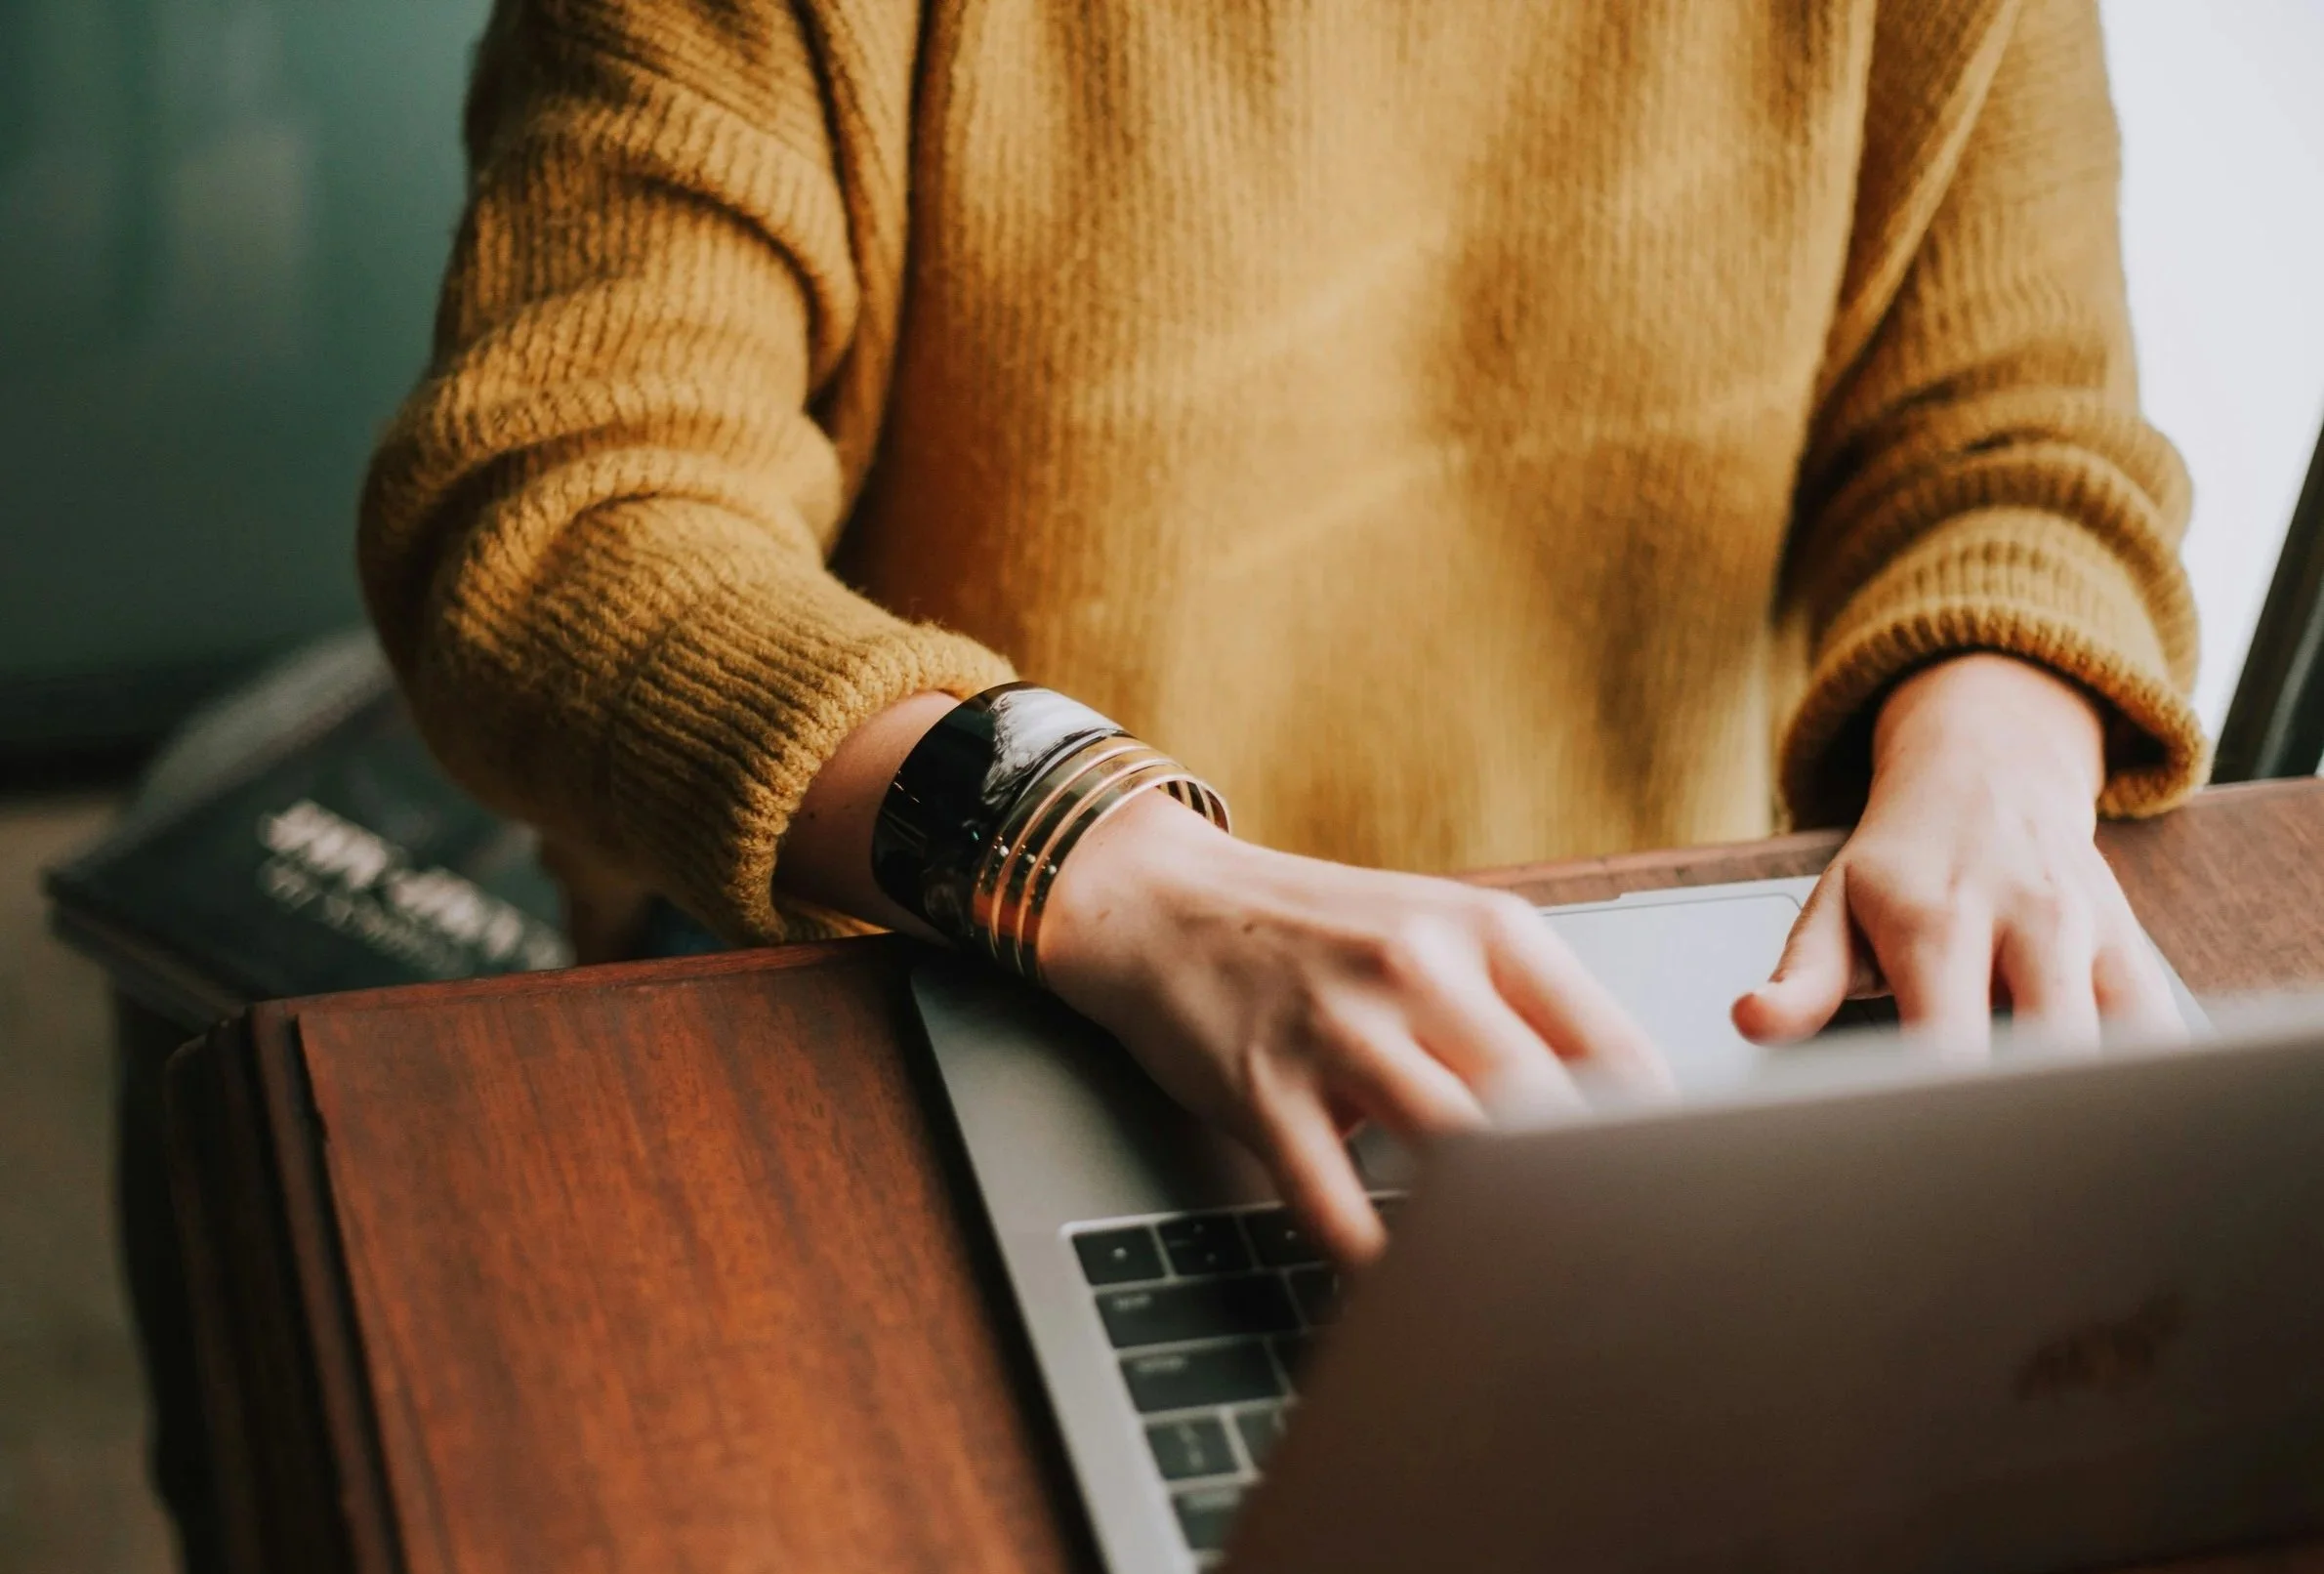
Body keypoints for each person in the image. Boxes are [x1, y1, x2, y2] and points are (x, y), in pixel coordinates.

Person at [360, 0, 2203, 1267]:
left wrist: (2001, 742)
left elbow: (2015, 440)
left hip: (1630, 1027)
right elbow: (558, 511)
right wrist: (1092, 854)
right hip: (939, 967)